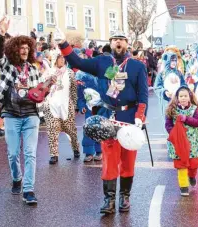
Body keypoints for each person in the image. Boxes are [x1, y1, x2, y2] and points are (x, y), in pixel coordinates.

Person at [57, 30, 148, 214]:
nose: (118, 43)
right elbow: (78, 63)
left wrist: (140, 116)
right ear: (111, 43)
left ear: (127, 43)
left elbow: (143, 95)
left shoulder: (137, 66)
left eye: (121, 40)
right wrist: (63, 44)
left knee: (128, 160)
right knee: (109, 160)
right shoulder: (102, 62)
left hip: (129, 118)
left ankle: (124, 197)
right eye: (115, 40)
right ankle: (109, 200)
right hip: (108, 118)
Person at [0, 17, 46, 204]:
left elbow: (38, 91)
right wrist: (1, 34)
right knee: (13, 153)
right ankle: (17, 178)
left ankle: (28, 190)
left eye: (27, 48)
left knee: (30, 153)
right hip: (12, 115)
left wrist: (46, 87)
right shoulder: (7, 66)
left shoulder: (34, 69)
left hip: (31, 115)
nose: (25, 50)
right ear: (14, 49)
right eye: (21, 48)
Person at [165, 86, 198, 196]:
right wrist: (174, 134)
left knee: (193, 164)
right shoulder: (171, 109)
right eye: (181, 96)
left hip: (192, 143)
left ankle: (192, 175)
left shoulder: (194, 109)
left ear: (189, 97)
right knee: (181, 165)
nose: (183, 98)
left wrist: (186, 119)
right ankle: (184, 186)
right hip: (178, 143)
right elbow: (168, 125)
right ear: (177, 98)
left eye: (185, 96)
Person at [43, 54, 80, 164]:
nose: (62, 60)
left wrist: (74, 105)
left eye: (64, 58)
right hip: (51, 105)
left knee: (71, 131)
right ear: (55, 59)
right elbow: (42, 87)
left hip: (66, 105)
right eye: (60, 58)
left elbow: (73, 90)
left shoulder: (70, 73)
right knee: (52, 130)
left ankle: (75, 148)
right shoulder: (49, 72)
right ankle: (54, 154)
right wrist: (49, 81)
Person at [76, 51, 102, 162]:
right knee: (88, 129)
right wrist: (81, 105)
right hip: (89, 108)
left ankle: (100, 151)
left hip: (102, 107)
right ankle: (88, 152)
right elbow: (80, 95)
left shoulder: (101, 73)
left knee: (100, 129)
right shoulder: (80, 76)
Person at [154, 47, 186, 134]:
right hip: (166, 102)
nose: (174, 63)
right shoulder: (162, 74)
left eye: (175, 60)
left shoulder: (178, 73)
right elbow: (157, 87)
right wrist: (164, 92)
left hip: (178, 101)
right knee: (168, 123)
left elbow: (184, 84)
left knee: (179, 121)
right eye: (172, 60)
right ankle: (170, 140)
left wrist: (183, 92)